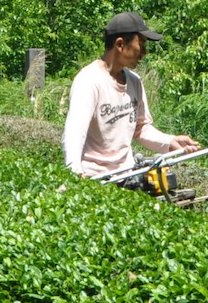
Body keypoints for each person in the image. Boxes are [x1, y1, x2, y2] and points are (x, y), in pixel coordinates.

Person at [64, 11, 200, 180]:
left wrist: (170, 142)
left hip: (128, 175)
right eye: (141, 44)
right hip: (96, 179)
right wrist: (75, 172)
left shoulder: (134, 81)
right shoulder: (89, 81)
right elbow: (75, 132)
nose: (144, 52)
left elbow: (141, 128)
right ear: (120, 44)